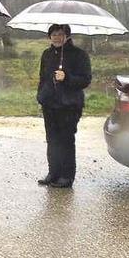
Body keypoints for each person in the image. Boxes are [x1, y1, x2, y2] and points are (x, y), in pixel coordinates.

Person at [36, 24, 91, 189]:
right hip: (50, 104)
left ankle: (67, 176)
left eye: (60, 34)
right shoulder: (47, 54)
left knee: (65, 140)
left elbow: (85, 80)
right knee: (52, 140)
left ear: (67, 36)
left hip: (69, 105)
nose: (56, 37)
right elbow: (42, 77)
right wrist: (41, 95)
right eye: (53, 34)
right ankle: (53, 172)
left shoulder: (79, 55)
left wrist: (66, 77)